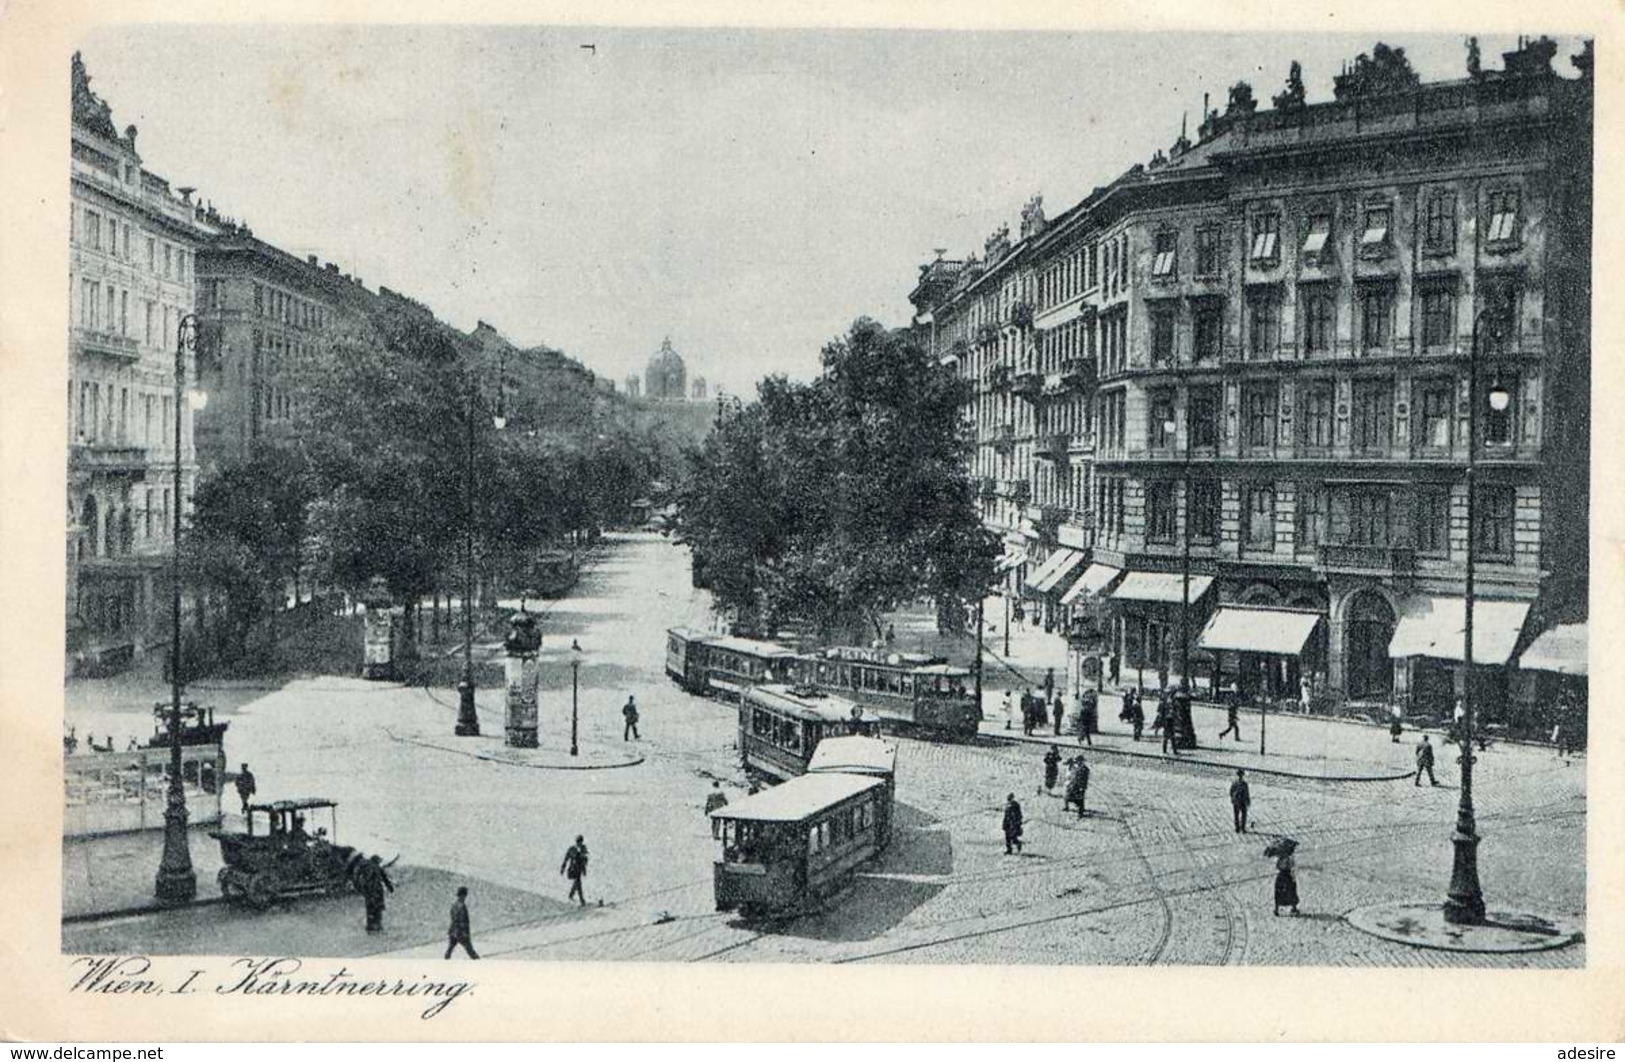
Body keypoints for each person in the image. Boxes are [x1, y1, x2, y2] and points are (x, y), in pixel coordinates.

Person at [357, 855, 394, 932]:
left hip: (368, 892)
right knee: (378, 908)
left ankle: (370, 926)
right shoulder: (377, 867)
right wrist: (390, 888)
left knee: (370, 909)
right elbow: (385, 878)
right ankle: (378, 925)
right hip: (377, 891)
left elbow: (360, 879)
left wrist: (362, 889)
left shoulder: (365, 867)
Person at [445, 886, 479, 960]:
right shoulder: (462, 906)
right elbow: (463, 921)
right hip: (460, 933)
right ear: (463, 895)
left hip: (453, 930)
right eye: (465, 895)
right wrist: (465, 933)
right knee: (470, 951)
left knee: (450, 949)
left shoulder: (454, 905)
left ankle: (444, 963)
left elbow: (452, 916)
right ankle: (480, 965)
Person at [561, 835, 590, 905]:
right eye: (578, 842)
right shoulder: (572, 849)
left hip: (579, 869)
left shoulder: (583, 849)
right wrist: (563, 868)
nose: (579, 843)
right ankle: (581, 900)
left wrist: (584, 869)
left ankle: (571, 895)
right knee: (578, 882)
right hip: (572, 869)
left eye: (580, 842)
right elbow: (566, 859)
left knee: (577, 882)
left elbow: (585, 860)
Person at [1273, 848, 1300, 916]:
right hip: (1288, 876)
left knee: (1279, 892)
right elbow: (1292, 866)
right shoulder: (1289, 859)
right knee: (1291, 891)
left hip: (1281, 876)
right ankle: (1294, 908)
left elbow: (1277, 867)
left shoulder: (1280, 859)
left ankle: (1276, 909)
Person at [1229, 769, 1251, 834]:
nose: (1240, 777)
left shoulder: (1239, 783)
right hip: (1239, 801)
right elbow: (1231, 791)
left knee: (1240, 815)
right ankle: (1239, 828)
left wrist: (1233, 798)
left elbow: (1246, 793)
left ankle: (1240, 828)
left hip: (1240, 801)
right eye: (1240, 775)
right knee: (1238, 815)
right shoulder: (1241, 783)